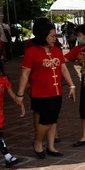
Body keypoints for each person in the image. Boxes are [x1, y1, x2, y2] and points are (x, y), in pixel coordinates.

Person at [16, 19, 76, 158]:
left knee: (53, 118)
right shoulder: (31, 52)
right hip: (40, 92)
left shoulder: (56, 50)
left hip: (56, 91)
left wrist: (71, 85)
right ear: (43, 36)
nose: (55, 39)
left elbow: (63, 68)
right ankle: (37, 142)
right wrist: (19, 94)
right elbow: (25, 74)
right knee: (46, 119)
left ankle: (51, 146)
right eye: (52, 36)